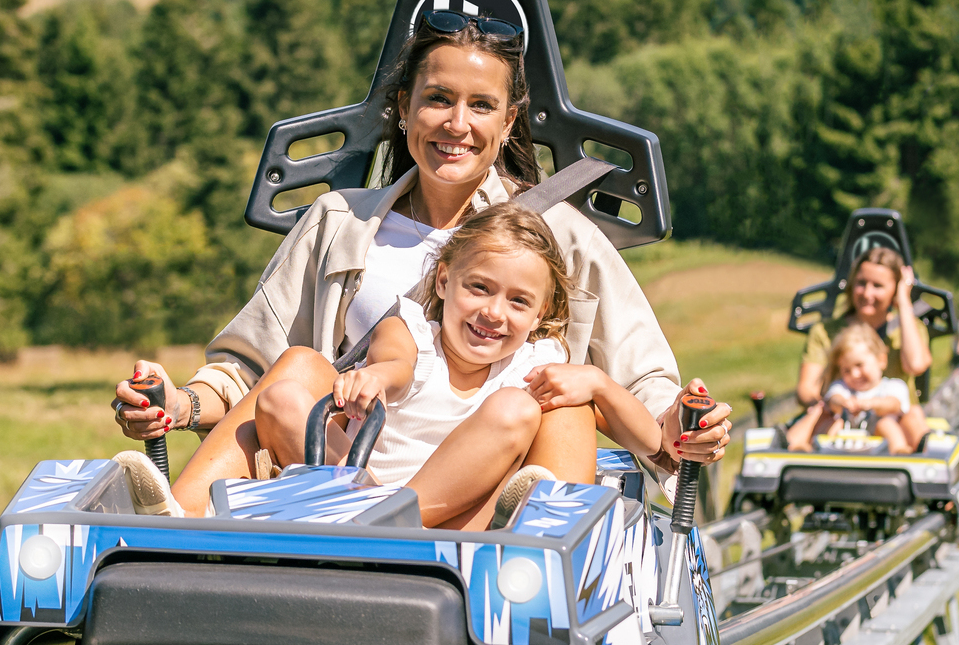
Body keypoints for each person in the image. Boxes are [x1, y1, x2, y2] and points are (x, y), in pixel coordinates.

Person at [109, 7, 731, 516]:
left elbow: (645, 380)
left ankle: (528, 559)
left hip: (487, 487)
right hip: (351, 461)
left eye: (481, 106)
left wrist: (681, 421)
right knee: (300, 365)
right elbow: (251, 369)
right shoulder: (338, 222)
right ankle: (177, 529)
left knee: (562, 400)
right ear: (403, 107)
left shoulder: (558, 236)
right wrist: (180, 404)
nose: (456, 124)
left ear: (509, 120)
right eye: (437, 99)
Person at [247, 204, 660, 529]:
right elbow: (396, 366)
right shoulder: (413, 333)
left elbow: (650, 442)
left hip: (453, 527)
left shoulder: (536, 364)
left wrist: (600, 383)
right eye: (479, 288)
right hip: (359, 493)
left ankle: (388, 526)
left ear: (540, 314)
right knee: (280, 400)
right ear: (444, 282)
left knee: (515, 409)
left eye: (518, 302)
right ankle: (376, 523)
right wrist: (374, 377)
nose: (494, 312)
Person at [795, 245, 931, 444]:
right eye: (861, 283)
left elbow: (916, 365)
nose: (867, 293)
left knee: (914, 416)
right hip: (841, 415)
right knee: (815, 419)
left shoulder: (909, 328)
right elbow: (806, 389)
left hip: (896, 417)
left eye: (878, 286)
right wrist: (836, 402)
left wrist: (903, 301)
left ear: (894, 288)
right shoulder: (826, 331)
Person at [786, 322, 916, 453]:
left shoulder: (893, 385)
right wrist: (843, 403)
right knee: (833, 422)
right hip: (845, 438)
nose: (854, 374)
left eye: (859, 365)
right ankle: (816, 449)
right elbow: (833, 399)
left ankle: (899, 451)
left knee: (886, 424)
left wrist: (870, 404)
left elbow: (893, 404)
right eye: (846, 370)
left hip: (879, 440)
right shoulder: (842, 386)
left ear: (881, 360)